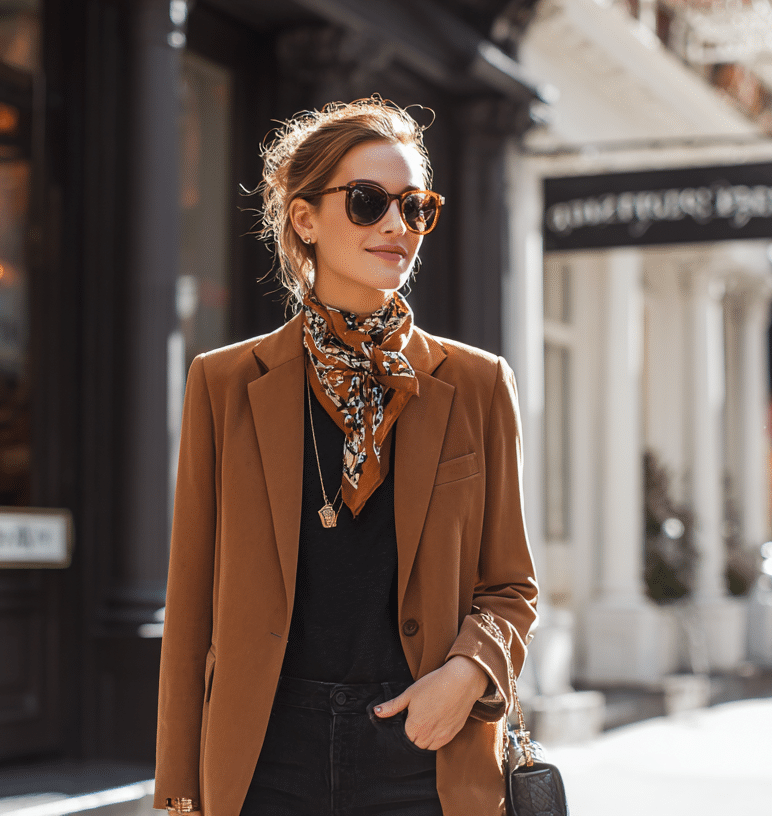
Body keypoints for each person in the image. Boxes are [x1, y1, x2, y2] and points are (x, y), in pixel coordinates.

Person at [152, 98, 538, 816]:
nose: (397, 227)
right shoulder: (225, 383)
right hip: (266, 756)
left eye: (415, 208)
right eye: (368, 202)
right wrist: (178, 790)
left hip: (424, 753)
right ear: (305, 219)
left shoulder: (478, 384)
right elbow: (192, 605)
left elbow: (511, 587)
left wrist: (466, 673)